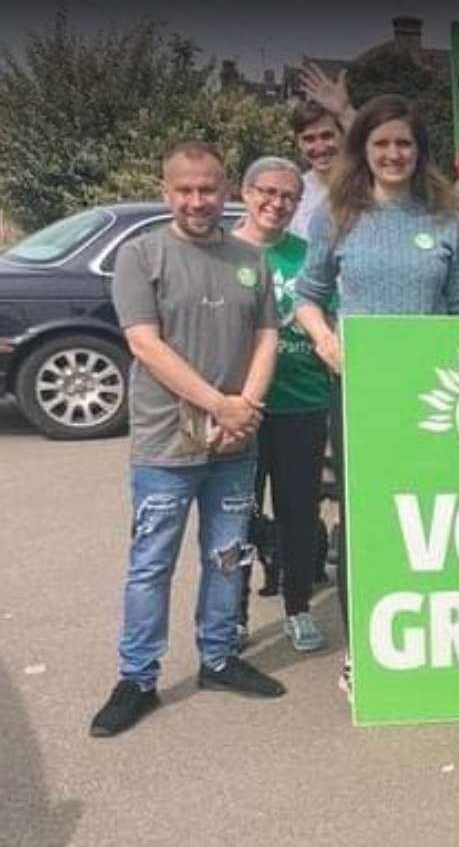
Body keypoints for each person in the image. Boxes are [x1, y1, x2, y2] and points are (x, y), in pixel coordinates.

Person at [91, 141, 285, 738]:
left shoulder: (249, 259)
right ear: (166, 190)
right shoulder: (141, 254)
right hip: (165, 447)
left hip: (234, 444)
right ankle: (137, 679)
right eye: (185, 189)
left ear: (226, 189)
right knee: (151, 564)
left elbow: (267, 337)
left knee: (228, 558)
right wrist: (221, 403)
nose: (198, 200)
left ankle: (219, 658)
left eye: (208, 188)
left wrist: (245, 406)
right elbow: (146, 345)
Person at [294, 93, 459, 698]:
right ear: (363, 151)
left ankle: (432, 641)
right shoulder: (336, 216)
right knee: (367, 523)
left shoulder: (446, 217)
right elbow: (308, 296)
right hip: (363, 397)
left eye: (404, 143)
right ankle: (361, 651)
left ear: (419, 151)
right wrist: (326, 340)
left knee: (432, 520)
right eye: (382, 144)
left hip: (435, 399)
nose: (394, 153)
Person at [230, 157, 331, 653]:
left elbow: (330, 324)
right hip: (239, 407)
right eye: (267, 192)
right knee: (238, 515)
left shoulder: (309, 255)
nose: (277, 203)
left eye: (289, 196)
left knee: (297, 513)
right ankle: (234, 613)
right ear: (245, 193)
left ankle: (297, 606)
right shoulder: (221, 252)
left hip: (303, 403)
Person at [289, 61, 357, 242]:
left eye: (327, 136)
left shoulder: (364, 182)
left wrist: (345, 112)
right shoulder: (293, 191)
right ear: (299, 143)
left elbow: (378, 147)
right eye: (309, 139)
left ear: (343, 135)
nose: (319, 148)